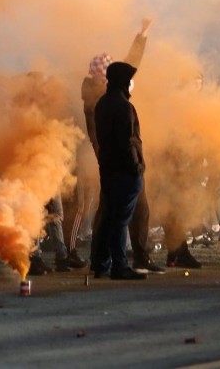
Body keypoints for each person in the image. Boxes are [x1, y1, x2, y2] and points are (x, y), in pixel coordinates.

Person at [91, 62, 147, 280]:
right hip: (125, 171)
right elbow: (128, 141)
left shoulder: (102, 103)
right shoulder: (123, 107)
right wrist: (137, 167)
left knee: (109, 218)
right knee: (120, 220)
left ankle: (101, 264)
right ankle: (119, 266)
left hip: (108, 169)